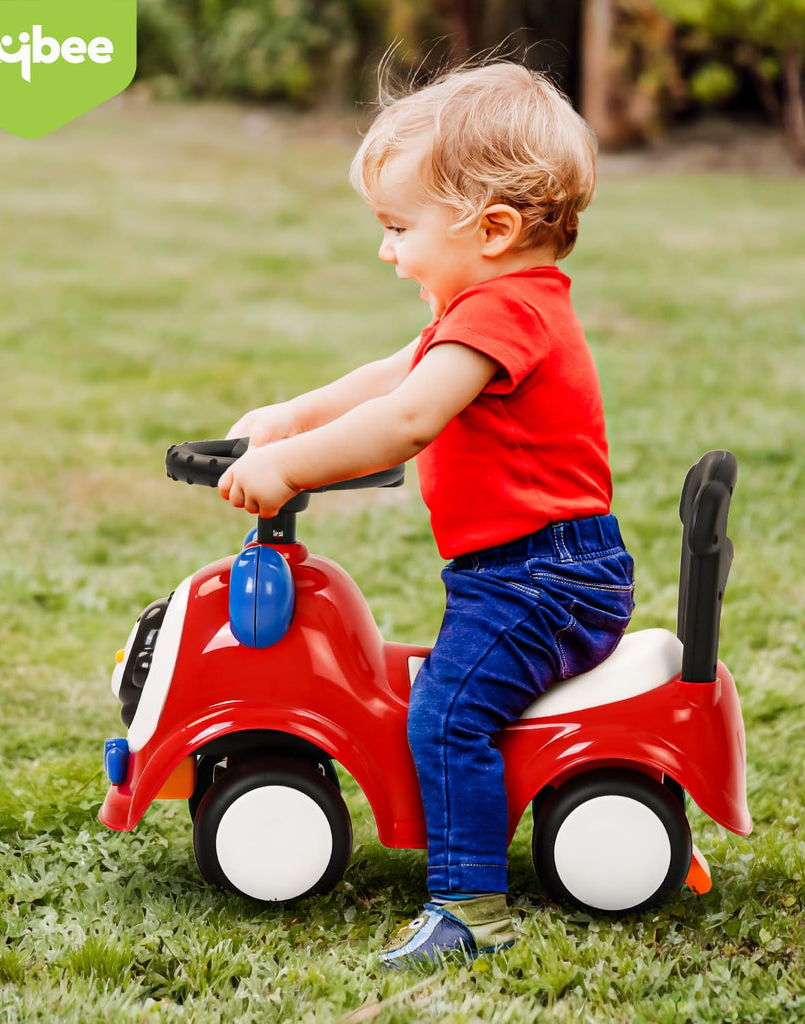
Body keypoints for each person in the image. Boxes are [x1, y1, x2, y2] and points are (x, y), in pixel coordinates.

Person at [218, 61, 635, 968]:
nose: (387, 251)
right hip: (526, 572)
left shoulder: (506, 314)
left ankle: (470, 908)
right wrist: (291, 417)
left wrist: (286, 467)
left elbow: (406, 420)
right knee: (434, 690)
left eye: (400, 228)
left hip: (545, 583)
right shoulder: (492, 306)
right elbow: (393, 373)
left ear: (493, 229)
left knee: (447, 713)